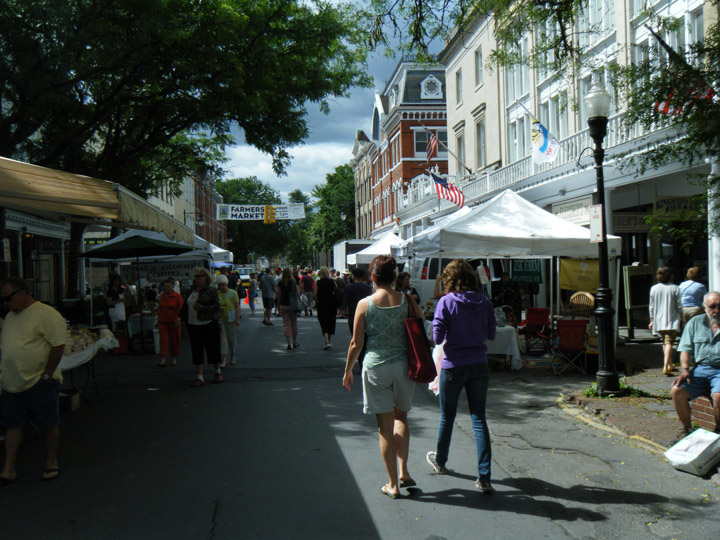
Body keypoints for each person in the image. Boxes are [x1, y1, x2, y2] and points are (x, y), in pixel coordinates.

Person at [342, 255, 423, 499]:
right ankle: (404, 471)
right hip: (403, 366)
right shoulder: (407, 300)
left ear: (373, 277)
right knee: (402, 418)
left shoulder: (365, 304)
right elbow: (420, 325)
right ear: (395, 277)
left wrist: (347, 370)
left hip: (376, 367)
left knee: (384, 427)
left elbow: (357, 342)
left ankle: (392, 485)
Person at [426, 259, 497, 494]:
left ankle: (441, 462)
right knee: (479, 418)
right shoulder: (484, 302)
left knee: (448, 415)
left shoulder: (446, 302)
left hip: (454, 364)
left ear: (449, 279)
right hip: (479, 363)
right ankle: (484, 477)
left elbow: (437, 337)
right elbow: (491, 334)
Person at [0, 278, 66, 484]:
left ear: (22, 293)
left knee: (48, 423)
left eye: (7, 299)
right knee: (13, 425)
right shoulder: (10, 316)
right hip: (12, 382)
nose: (5, 303)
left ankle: (51, 462)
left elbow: (58, 345)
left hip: (38, 381)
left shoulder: (47, 314)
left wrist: (47, 374)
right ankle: (9, 468)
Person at [671, 291, 720, 436]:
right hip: (700, 369)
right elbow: (685, 350)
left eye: (719, 306)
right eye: (712, 307)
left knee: (718, 395)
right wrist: (685, 370)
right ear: (705, 307)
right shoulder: (695, 323)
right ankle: (687, 430)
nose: (716, 310)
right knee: (677, 390)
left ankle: (717, 432)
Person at [184, 267, 222, 387]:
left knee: (212, 348)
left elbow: (217, 306)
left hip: (208, 323)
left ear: (205, 278)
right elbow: (186, 305)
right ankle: (199, 377)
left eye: (199, 276)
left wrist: (203, 308)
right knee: (197, 350)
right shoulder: (191, 290)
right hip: (193, 324)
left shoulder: (211, 290)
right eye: (195, 276)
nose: (196, 278)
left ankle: (217, 371)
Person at [649, 266, 683, 375]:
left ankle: (669, 363)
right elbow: (679, 306)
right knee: (669, 342)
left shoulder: (654, 288)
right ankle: (665, 366)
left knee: (665, 341)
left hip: (658, 320)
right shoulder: (675, 288)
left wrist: (652, 320)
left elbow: (652, 306)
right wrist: (683, 319)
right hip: (671, 319)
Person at [156, 278, 183, 367]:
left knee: (174, 340)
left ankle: (174, 357)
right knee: (163, 340)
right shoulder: (162, 295)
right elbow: (160, 307)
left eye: (168, 286)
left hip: (174, 321)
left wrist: (179, 319)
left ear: (172, 287)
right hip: (163, 321)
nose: (166, 288)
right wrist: (157, 318)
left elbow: (181, 309)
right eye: (165, 287)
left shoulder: (177, 296)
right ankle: (163, 358)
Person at [216, 274, 240, 367]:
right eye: (219, 285)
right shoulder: (217, 293)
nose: (221, 287)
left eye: (223, 285)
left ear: (226, 284)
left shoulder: (233, 293)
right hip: (220, 318)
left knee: (231, 339)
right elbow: (215, 304)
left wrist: (237, 318)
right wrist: (218, 307)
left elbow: (237, 306)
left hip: (231, 318)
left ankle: (233, 355)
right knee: (222, 339)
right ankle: (224, 359)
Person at [345, 268, 373, 336]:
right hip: (365, 314)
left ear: (353, 276)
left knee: (354, 335)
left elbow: (347, 301)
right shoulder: (367, 288)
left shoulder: (348, 288)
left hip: (353, 314)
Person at [277, 267, 300, 349]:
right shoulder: (293, 281)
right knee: (294, 323)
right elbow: (297, 293)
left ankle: (288, 343)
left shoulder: (281, 282)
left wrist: (278, 305)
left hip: (284, 304)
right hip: (292, 305)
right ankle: (294, 342)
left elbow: (279, 294)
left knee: (286, 324)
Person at [316, 266, 338, 349]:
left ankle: (326, 340)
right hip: (332, 303)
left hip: (321, 304)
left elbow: (315, 294)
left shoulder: (318, 282)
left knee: (323, 321)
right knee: (331, 321)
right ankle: (329, 340)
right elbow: (336, 291)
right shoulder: (332, 281)